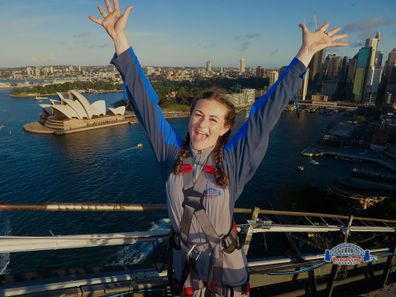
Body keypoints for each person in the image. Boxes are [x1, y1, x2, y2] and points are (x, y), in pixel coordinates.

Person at [89, 1, 348, 296]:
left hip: (226, 268)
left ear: (226, 127)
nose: (202, 124)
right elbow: (145, 104)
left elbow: (267, 112)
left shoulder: (234, 161)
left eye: (213, 119)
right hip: (184, 268)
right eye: (198, 115)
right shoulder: (171, 155)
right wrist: (119, 38)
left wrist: (306, 54)